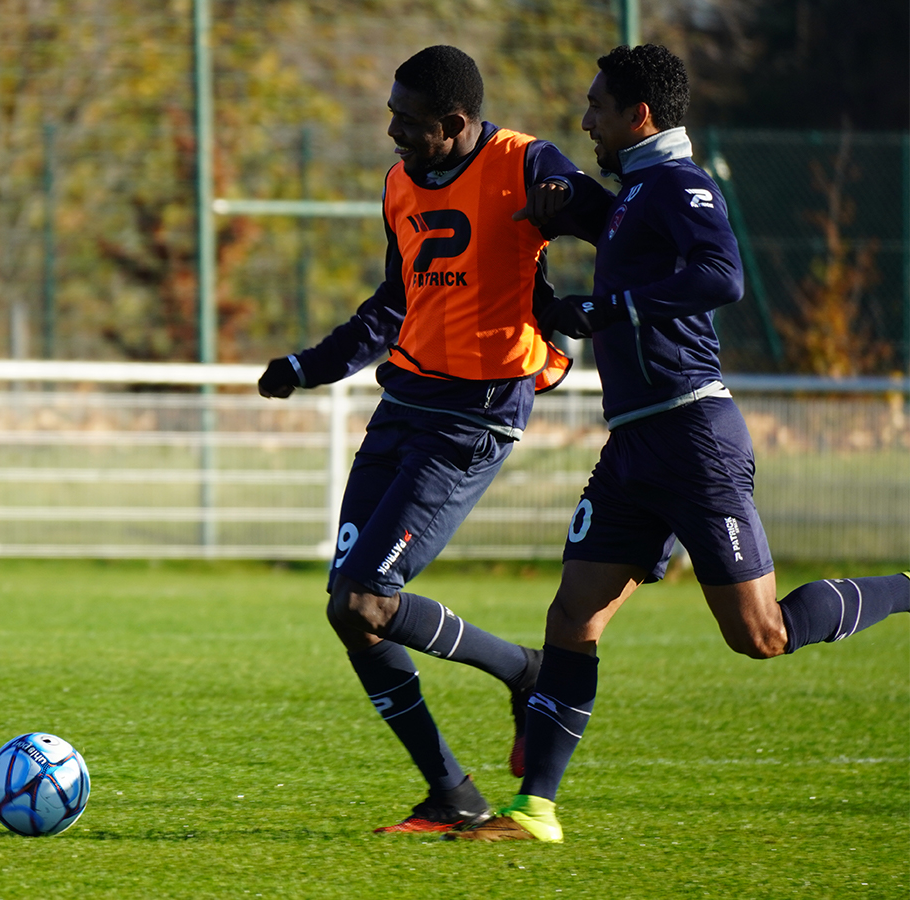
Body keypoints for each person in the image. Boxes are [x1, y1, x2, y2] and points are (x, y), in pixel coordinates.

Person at [449, 43, 910, 844]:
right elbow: (624, 248)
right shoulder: (636, 195)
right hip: (633, 445)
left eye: (597, 105)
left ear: (640, 116)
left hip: (693, 436)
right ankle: (535, 812)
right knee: (572, 619)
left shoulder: (681, 184)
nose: (586, 118)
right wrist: (570, 229)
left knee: (759, 637)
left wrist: (613, 310)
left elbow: (720, 276)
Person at [257, 45, 604, 833]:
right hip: (404, 402)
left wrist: (577, 306)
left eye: (406, 122)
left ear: (453, 123)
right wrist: (309, 366)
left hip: (475, 414)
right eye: (390, 115)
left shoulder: (525, 165)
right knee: (348, 611)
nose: (391, 133)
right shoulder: (399, 184)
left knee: (369, 599)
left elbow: (619, 227)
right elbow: (393, 303)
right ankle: (453, 792)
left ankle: (526, 672)